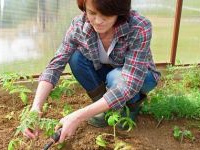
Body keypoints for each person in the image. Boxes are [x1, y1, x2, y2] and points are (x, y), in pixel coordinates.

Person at [24, 0, 160, 143]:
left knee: (117, 77)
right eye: (92, 13)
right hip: (108, 72)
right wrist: (35, 108)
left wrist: (78, 116)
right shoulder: (79, 25)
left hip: (141, 76)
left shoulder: (139, 26)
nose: (98, 21)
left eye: (106, 14)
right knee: (75, 58)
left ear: (119, 11)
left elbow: (129, 83)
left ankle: (131, 107)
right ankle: (103, 109)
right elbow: (55, 66)